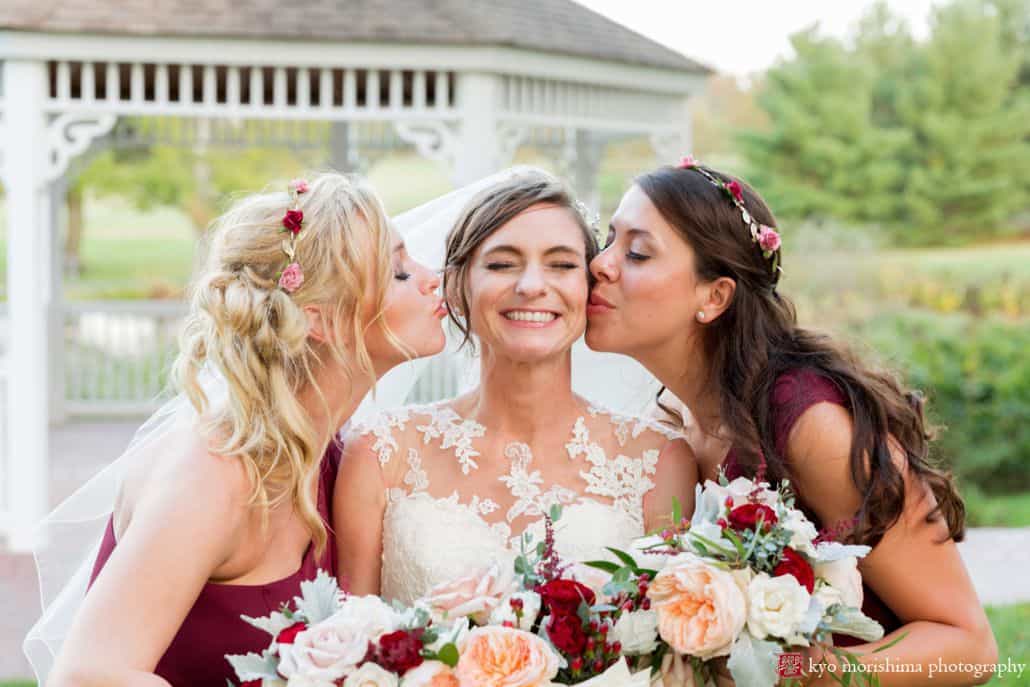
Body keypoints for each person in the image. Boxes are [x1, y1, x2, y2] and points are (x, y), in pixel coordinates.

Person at [585, 158, 997, 685]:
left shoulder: (811, 423)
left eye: (637, 252)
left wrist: (791, 673)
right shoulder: (671, 418)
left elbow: (971, 645)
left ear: (714, 297)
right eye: (609, 239)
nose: (601, 264)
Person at [33, 172, 447, 686]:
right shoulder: (216, 473)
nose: (433, 276)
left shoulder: (335, 459)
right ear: (320, 320)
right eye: (399, 272)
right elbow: (88, 675)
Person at [334, 169, 697, 604]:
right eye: (502, 264)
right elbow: (355, 637)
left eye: (561, 265)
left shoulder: (660, 461)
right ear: (456, 285)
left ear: (589, 286)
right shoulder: (378, 453)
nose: (531, 287)